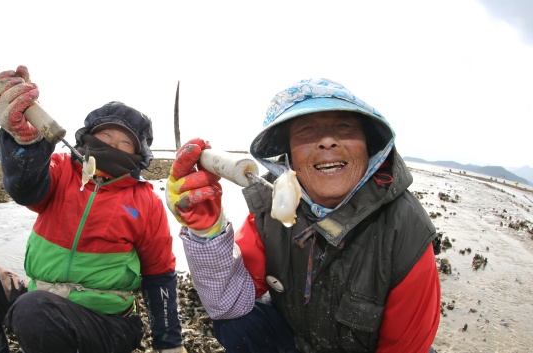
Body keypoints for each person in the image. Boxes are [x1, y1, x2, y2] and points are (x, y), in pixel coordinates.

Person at [165, 78, 440, 352]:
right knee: (235, 323)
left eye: (344, 126)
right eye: (307, 130)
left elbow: (405, 346)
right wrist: (207, 232)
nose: (327, 141)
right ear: (289, 157)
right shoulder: (270, 212)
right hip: (300, 343)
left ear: (370, 148)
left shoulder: (405, 228)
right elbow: (228, 302)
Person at [0, 65, 186, 353]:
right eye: (105, 136)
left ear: (139, 153)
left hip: (108, 324)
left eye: (126, 141)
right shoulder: (63, 169)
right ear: (89, 136)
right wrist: (24, 140)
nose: (114, 145)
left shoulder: (146, 201)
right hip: (42, 298)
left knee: (34, 310)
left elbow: (159, 273)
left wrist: (170, 344)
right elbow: (25, 190)